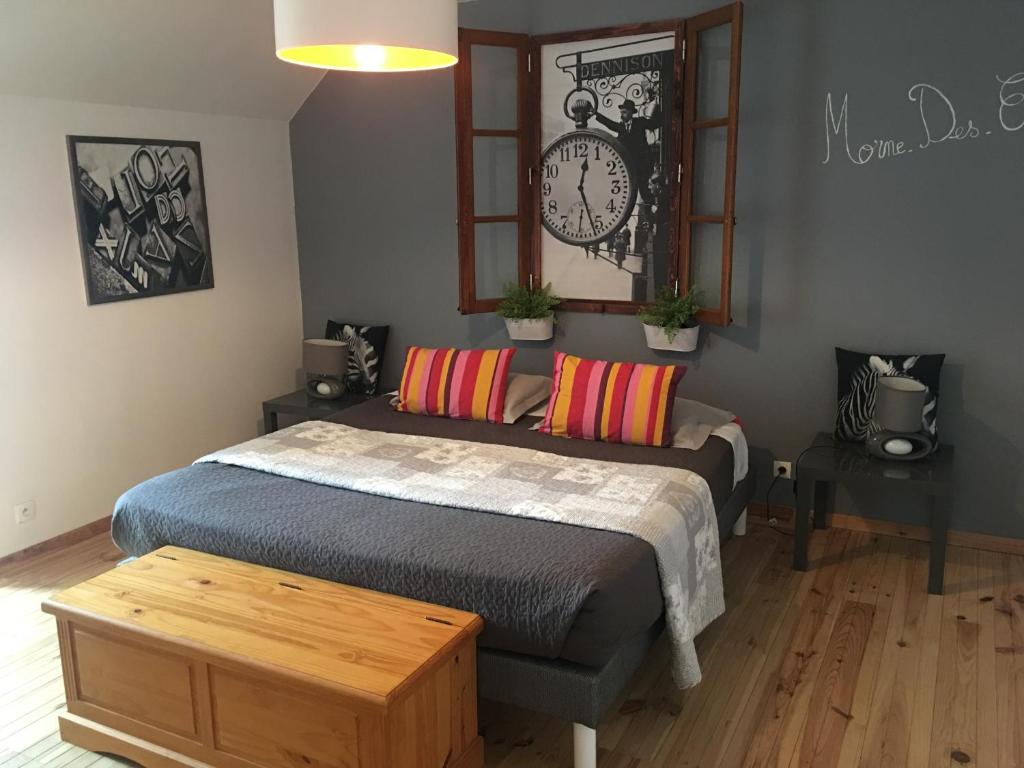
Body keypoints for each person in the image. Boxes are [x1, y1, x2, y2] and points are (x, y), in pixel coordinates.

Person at [594, 97, 661, 203]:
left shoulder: (640, 122)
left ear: (630, 112)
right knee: (633, 191)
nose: (622, 114)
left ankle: (655, 207)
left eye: (624, 112)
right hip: (631, 165)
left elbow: (655, 124)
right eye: (621, 112)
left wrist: (660, 111)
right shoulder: (621, 127)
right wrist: (596, 114)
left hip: (644, 163)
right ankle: (652, 208)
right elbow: (610, 124)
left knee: (645, 189)